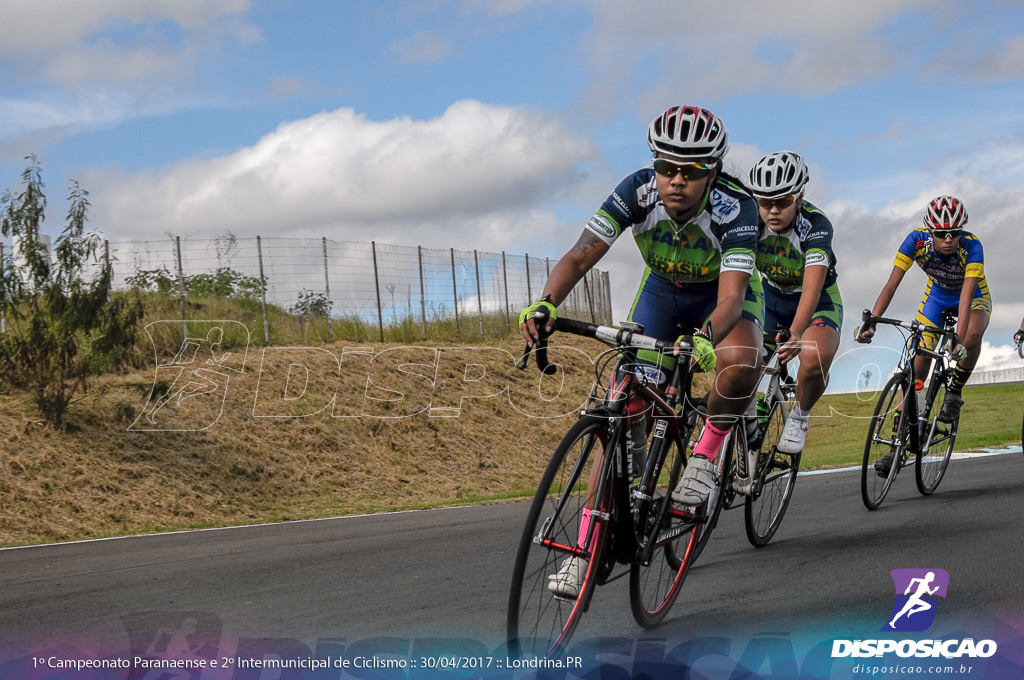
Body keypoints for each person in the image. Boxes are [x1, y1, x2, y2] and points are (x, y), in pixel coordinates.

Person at [520, 105, 763, 597]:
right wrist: (546, 302)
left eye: (691, 171)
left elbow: (733, 298)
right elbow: (581, 253)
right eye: (666, 167)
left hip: (720, 298)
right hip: (661, 294)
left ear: (712, 172)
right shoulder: (636, 189)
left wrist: (704, 338)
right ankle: (589, 547)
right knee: (621, 417)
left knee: (741, 363)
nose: (676, 180)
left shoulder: (738, 209)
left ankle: (704, 458)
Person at [856, 195, 991, 474]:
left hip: (973, 298)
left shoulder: (972, 245)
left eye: (954, 233)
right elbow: (891, 285)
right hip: (937, 299)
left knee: (971, 337)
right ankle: (897, 444)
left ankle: (954, 392)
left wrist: (959, 339)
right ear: (930, 231)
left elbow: (966, 298)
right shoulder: (915, 241)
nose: (948, 239)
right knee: (914, 370)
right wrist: (873, 321)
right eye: (941, 234)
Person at [743, 151, 843, 467]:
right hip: (770, 299)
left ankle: (800, 414)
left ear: (798, 196)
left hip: (817, 301)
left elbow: (812, 288)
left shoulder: (815, 225)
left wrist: (797, 332)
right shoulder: (748, 222)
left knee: (814, 358)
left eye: (783, 201)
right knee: (741, 364)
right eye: (764, 201)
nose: (772, 210)